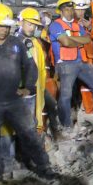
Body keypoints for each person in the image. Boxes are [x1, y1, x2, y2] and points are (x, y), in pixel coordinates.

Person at [0, 4, 54, 179]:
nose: (4, 30)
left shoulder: (17, 44)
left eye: (7, 26)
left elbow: (30, 66)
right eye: (0, 25)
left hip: (14, 100)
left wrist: (27, 87)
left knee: (30, 134)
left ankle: (45, 167)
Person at [48, 0, 93, 129]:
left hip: (80, 61)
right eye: (66, 9)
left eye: (71, 9)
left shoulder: (76, 24)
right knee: (66, 94)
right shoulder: (55, 25)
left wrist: (71, 39)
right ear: (61, 11)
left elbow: (87, 40)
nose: (69, 12)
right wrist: (75, 40)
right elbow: (65, 42)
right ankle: (66, 125)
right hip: (65, 64)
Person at [17, 8, 61, 137]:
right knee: (30, 117)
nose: (32, 28)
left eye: (34, 25)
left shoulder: (35, 41)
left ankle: (54, 132)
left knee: (51, 105)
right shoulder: (18, 42)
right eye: (29, 24)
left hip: (39, 85)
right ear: (20, 23)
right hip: (27, 87)